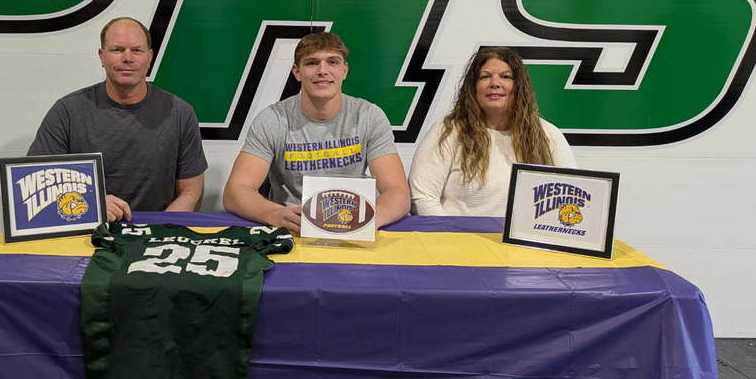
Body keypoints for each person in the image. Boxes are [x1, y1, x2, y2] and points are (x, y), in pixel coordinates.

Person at [223, 32, 410, 234]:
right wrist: (275, 214)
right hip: (293, 228)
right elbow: (236, 191)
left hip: (354, 224)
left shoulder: (368, 116)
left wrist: (372, 220)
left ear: (345, 70)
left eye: (333, 62)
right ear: (297, 72)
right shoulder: (273, 120)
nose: (323, 70)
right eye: (312, 63)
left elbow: (398, 192)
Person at [27, 17, 207, 220]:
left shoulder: (180, 113)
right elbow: (35, 186)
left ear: (150, 57)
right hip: (85, 229)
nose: (127, 58)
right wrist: (91, 205)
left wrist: (158, 230)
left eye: (137, 50)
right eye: (117, 50)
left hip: (156, 233)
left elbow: (191, 192)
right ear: (101, 56)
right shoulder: (67, 111)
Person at [409, 46, 575, 216]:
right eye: (485, 76)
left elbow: (571, 196)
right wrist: (451, 237)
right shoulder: (448, 131)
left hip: (526, 242)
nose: (495, 83)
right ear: (473, 87)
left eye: (506, 77)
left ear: (519, 87)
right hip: (457, 239)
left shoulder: (548, 135)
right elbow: (421, 196)